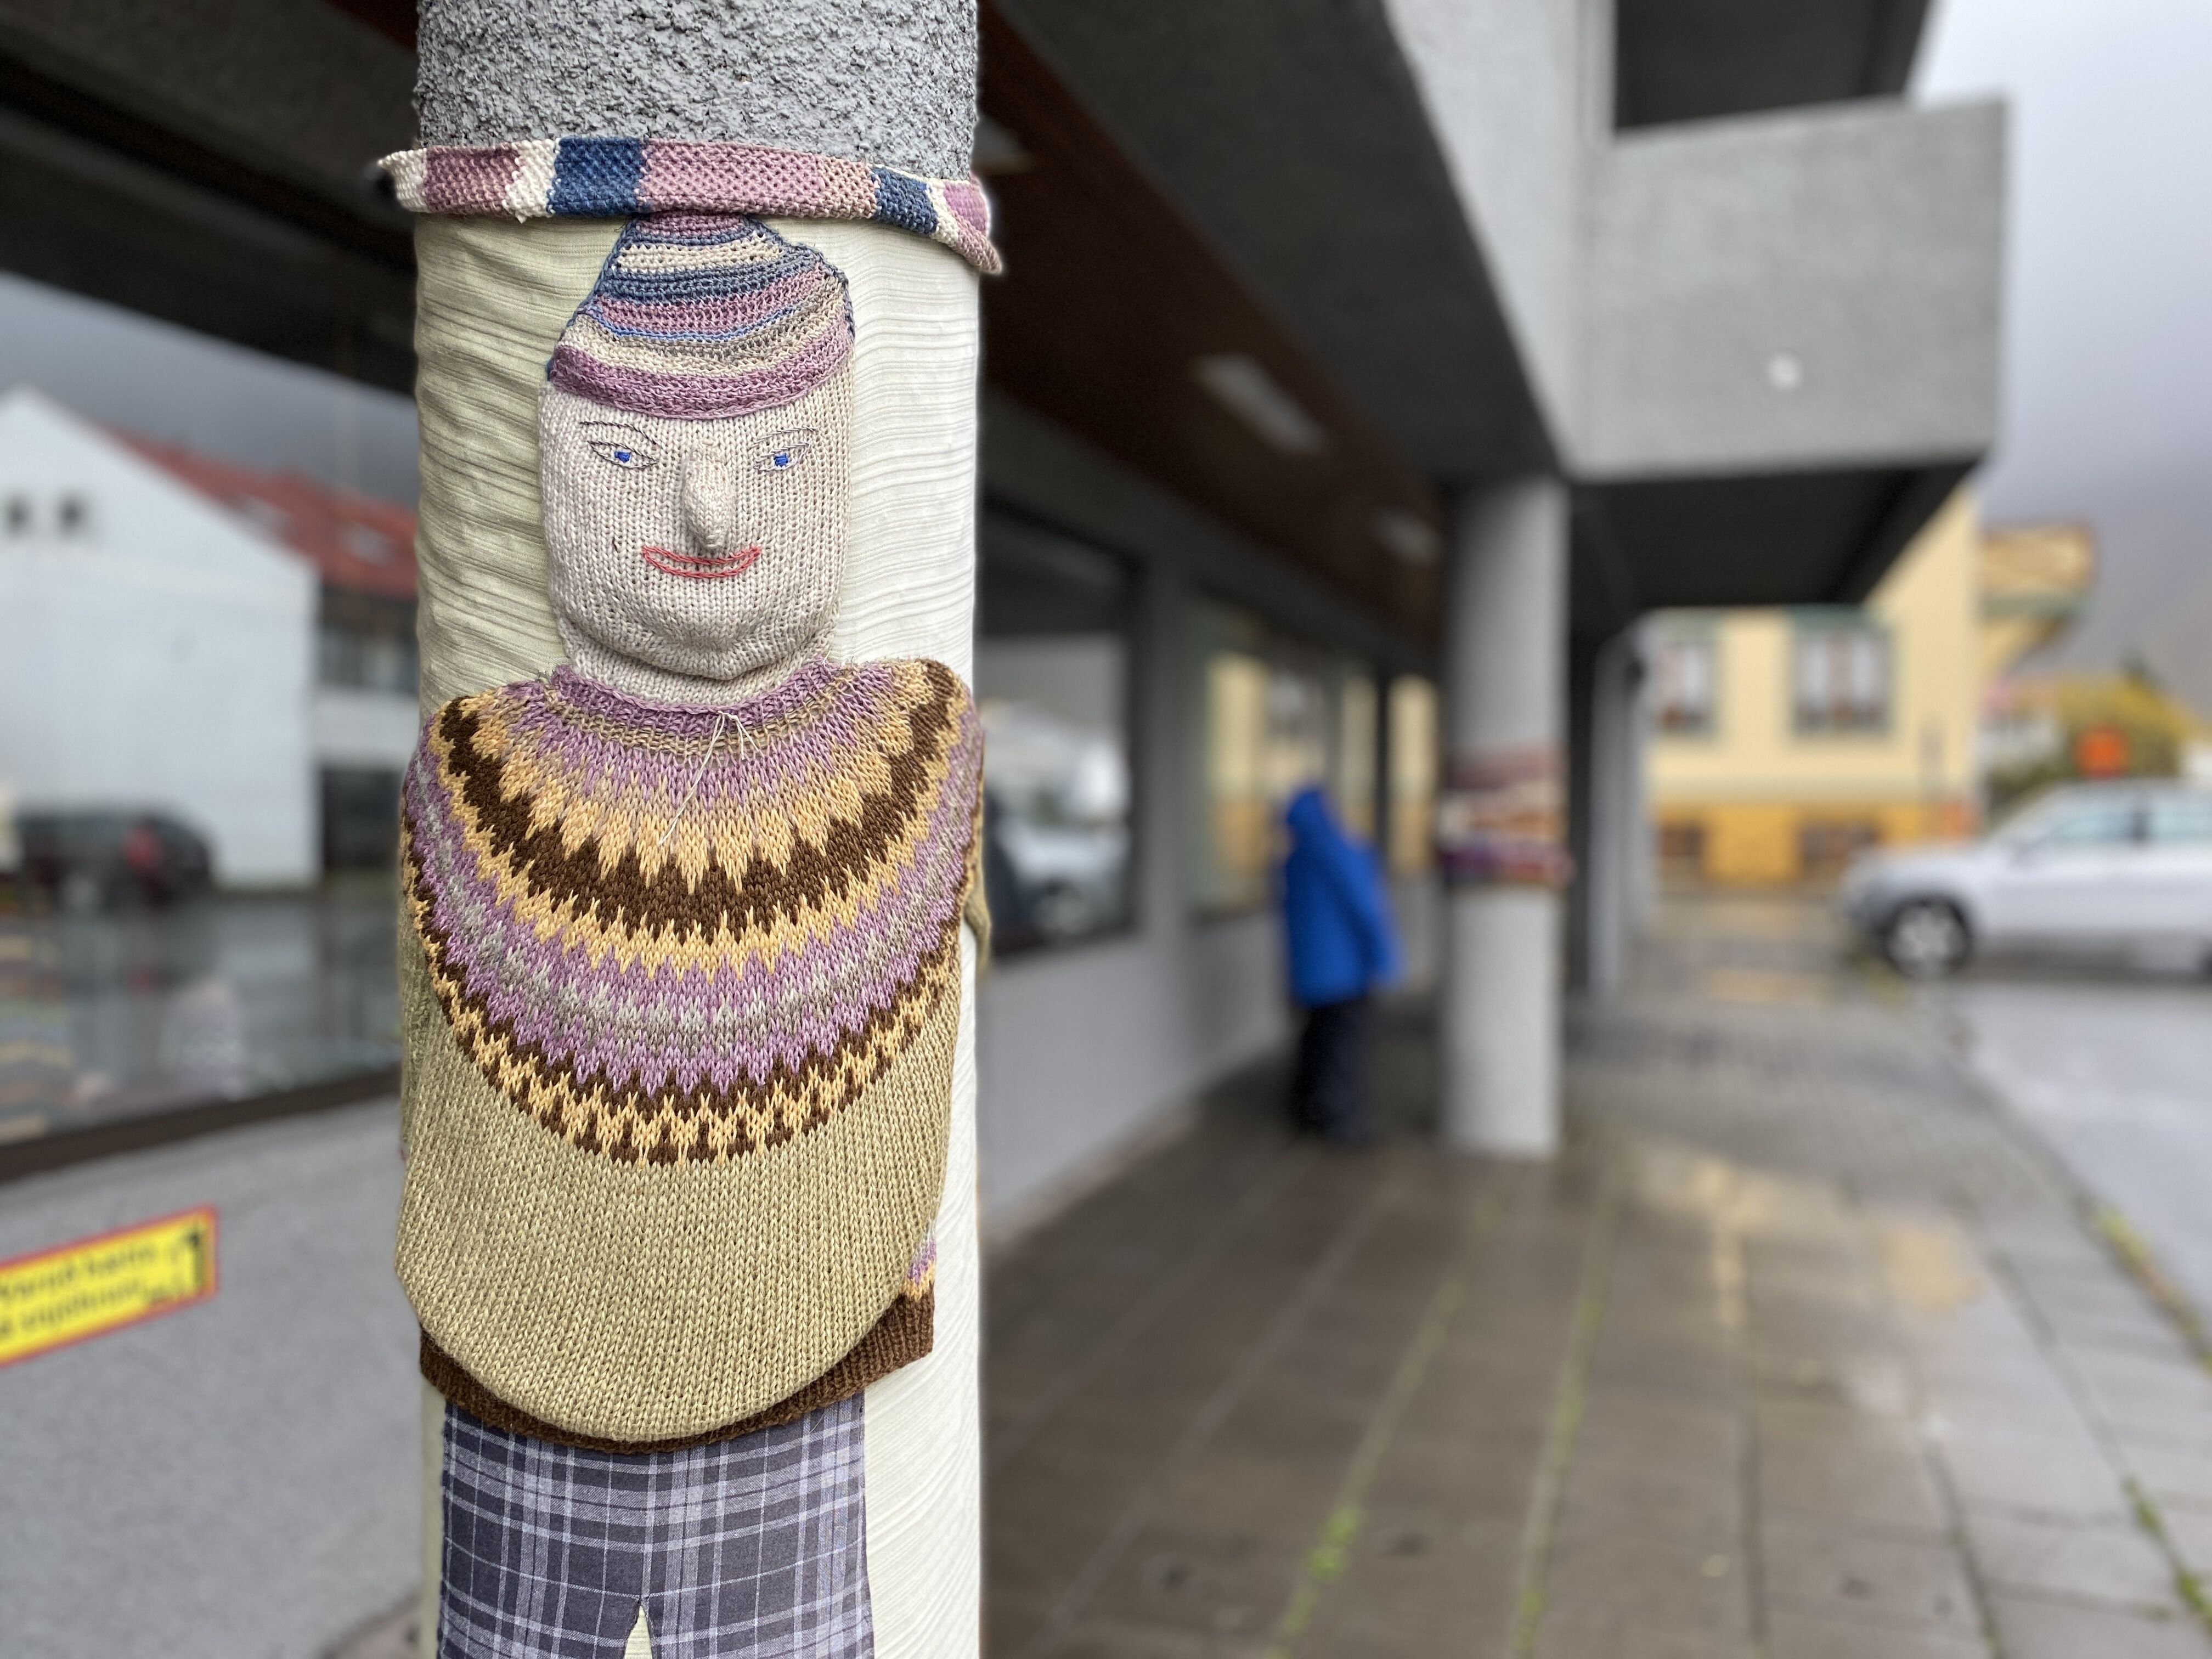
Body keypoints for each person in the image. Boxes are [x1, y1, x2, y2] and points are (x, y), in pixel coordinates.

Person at [1280, 785, 1400, 1143]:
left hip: (1308, 973)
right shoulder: (1338, 849)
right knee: (1344, 1048)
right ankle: (1342, 1121)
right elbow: (1364, 906)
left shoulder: (1293, 859)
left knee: (1315, 1041)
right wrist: (1384, 956)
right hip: (1344, 971)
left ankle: (1305, 1109)